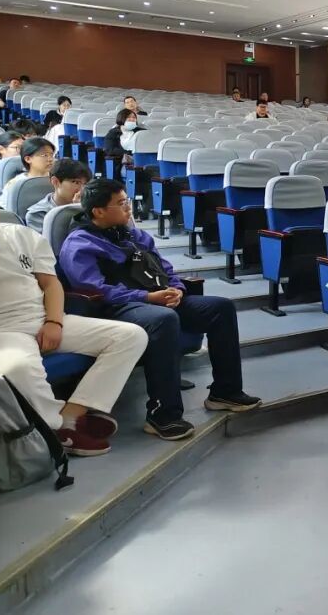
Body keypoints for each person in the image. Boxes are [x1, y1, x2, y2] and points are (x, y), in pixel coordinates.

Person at [60, 179, 261, 440]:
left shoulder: (134, 235)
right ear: (98, 211)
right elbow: (96, 290)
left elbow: (164, 268)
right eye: (121, 203)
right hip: (115, 308)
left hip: (155, 298)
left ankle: (225, 392)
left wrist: (177, 289)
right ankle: (162, 415)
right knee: (163, 319)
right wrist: (146, 297)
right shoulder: (80, 244)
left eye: (127, 201)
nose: (128, 208)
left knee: (220, 308)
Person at [0, 175, 147, 457]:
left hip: (44, 317)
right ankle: (56, 428)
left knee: (131, 336)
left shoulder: (21, 235)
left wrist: (53, 321)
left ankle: (71, 415)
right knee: (17, 366)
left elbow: (51, 285)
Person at [25, 158, 91, 233]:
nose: (82, 189)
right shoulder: (38, 214)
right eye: (76, 182)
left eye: (85, 184)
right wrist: (78, 211)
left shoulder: (90, 206)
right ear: (55, 182)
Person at [0, 137, 55, 210]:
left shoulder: (57, 179)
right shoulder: (16, 183)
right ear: (28, 159)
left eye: (51, 155)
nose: (50, 159)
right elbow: (5, 209)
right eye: (44, 155)